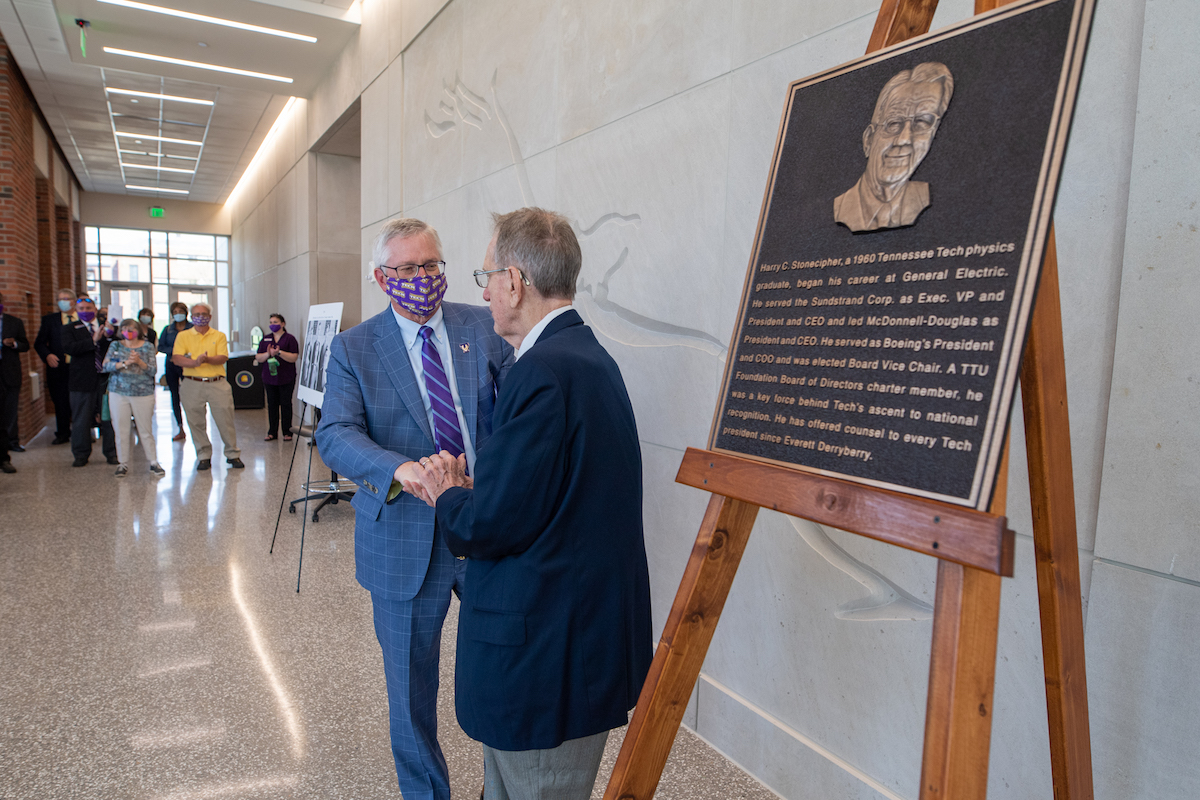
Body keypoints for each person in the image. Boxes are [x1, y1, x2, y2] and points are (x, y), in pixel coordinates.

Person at [410, 208, 652, 800]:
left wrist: (448, 493)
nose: (485, 292)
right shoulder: (582, 357)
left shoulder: (543, 372)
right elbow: (548, 498)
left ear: (514, 282)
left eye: (485, 276)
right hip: (569, 639)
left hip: (549, 657)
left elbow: (493, 524)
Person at [316, 217, 513, 800]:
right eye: (407, 269)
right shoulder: (355, 346)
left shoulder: (484, 326)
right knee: (410, 690)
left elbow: (517, 411)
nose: (423, 278)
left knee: (504, 670)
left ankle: (502, 789)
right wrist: (397, 470)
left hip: (485, 527)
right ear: (382, 277)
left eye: (431, 265)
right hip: (405, 538)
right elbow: (336, 432)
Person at [833, 62, 954, 232]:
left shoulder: (929, 199)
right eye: (894, 123)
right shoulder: (841, 208)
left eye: (921, 122)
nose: (904, 139)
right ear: (868, 139)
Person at [172, 303, 243, 471]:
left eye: (204, 314)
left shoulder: (218, 335)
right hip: (192, 383)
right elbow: (177, 358)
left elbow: (222, 357)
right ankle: (203, 455)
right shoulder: (183, 336)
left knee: (225, 420)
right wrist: (195, 362)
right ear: (191, 316)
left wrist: (206, 360)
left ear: (210, 317)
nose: (200, 316)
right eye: (196, 314)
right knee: (195, 421)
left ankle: (232, 454)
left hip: (216, 383)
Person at [102, 319, 165, 478]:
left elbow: (152, 370)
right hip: (118, 393)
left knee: (145, 429)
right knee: (121, 429)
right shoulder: (115, 345)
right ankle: (122, 464)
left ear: (138, 330)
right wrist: (125, 363)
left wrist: (138, 362)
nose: (128, 331)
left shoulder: (147, 346)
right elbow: (105, 366)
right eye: (124, 328)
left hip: (143, 393)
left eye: (131, 328)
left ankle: (153, 462)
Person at [63, 297, 118, 467]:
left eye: (88, 307)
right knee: (81, 419)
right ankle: (81, 454)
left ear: (94, 308)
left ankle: (112, 453)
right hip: (81, 381)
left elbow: (118, 345)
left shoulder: (108, 325)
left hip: (106, 380)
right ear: (76, 310)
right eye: (81, 308)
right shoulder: (69, 328)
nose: (85, 311)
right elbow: (69, 348)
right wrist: (92, 340)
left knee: (109, 418)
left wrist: (110, 335)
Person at [34, 288, 79, 445]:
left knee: (79, 401)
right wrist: (47, 355)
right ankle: (63, 433)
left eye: (66, 298)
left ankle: (82, 433)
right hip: (58, 368)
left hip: (78, 367)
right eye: (60, 299)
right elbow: (39, 343)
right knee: (60, 401)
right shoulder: (50, 320)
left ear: (73, 301)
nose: (63, 302)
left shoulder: (81, 318)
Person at [254, 313, 299, 441]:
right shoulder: (266, 339)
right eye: (271, 322)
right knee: (272, 404)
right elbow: (258, 357)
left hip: (286, 377)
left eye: (275, 322)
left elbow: (294, 357)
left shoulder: (290, 339)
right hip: (269, 378)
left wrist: (279, 352)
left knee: (286, 404)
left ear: (283, 324)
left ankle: (287, 431)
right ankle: (272, 432)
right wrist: (268, 354)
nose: (272, 325)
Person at [0, 291, 30, 456]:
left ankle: (12, 442)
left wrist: (14, 344)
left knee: (11, 409)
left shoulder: (14, 322)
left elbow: (25, 345)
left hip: (10, 371)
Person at [158, 301, 193, 442]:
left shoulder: (192, 328)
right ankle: (180, 427)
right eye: (175, 311)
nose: (178, 314)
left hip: (188, 365)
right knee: (175, 396)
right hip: (171, 363)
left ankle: (194, 426)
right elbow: (161, 346)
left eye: (181, 311)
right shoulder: (168, 329)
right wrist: (175, 353)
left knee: (190, 396)